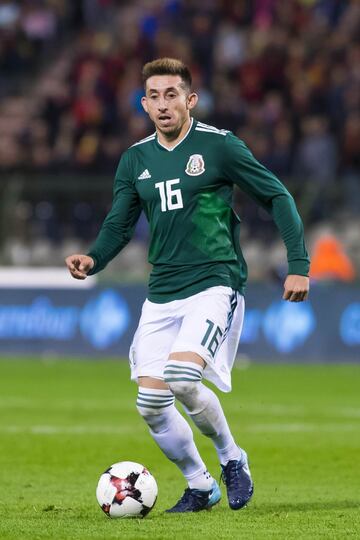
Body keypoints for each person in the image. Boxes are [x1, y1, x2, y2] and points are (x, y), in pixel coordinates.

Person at [65, 58, 310, 513]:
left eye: (171, 94)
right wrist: (93, 258)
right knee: (151, 402)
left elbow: (277, 195)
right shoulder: (135, 159)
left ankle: (232, 458)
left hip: (215, 282)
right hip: (162, 291)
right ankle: (200, 485)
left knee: (181, 377)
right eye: (154, 96)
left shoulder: (219, 147)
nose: (162, 104)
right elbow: (119, 226)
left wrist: (298, 262)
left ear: (189, 100)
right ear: (144, 103)